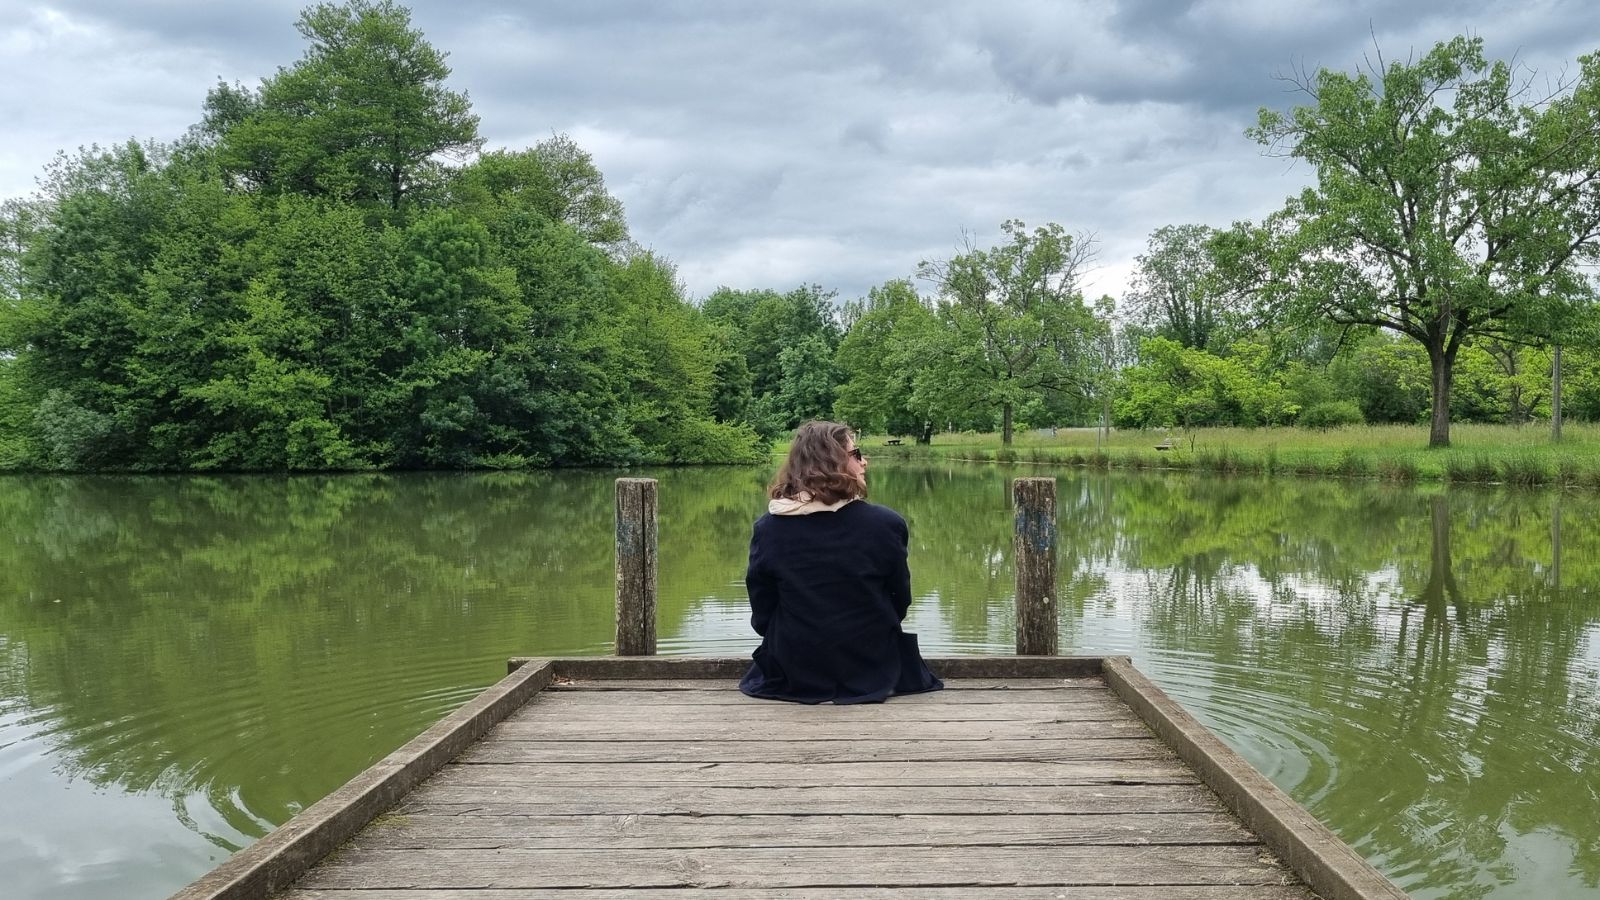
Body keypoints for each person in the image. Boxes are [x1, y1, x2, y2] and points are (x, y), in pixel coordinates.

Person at [739, 420, 943, 704]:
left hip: (795, 667)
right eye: (856, 454)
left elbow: (763, 609)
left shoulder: (768, 528)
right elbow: (900, 600)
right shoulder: (886, 524)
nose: (865, 462)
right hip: (873, 664)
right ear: (832, 462)